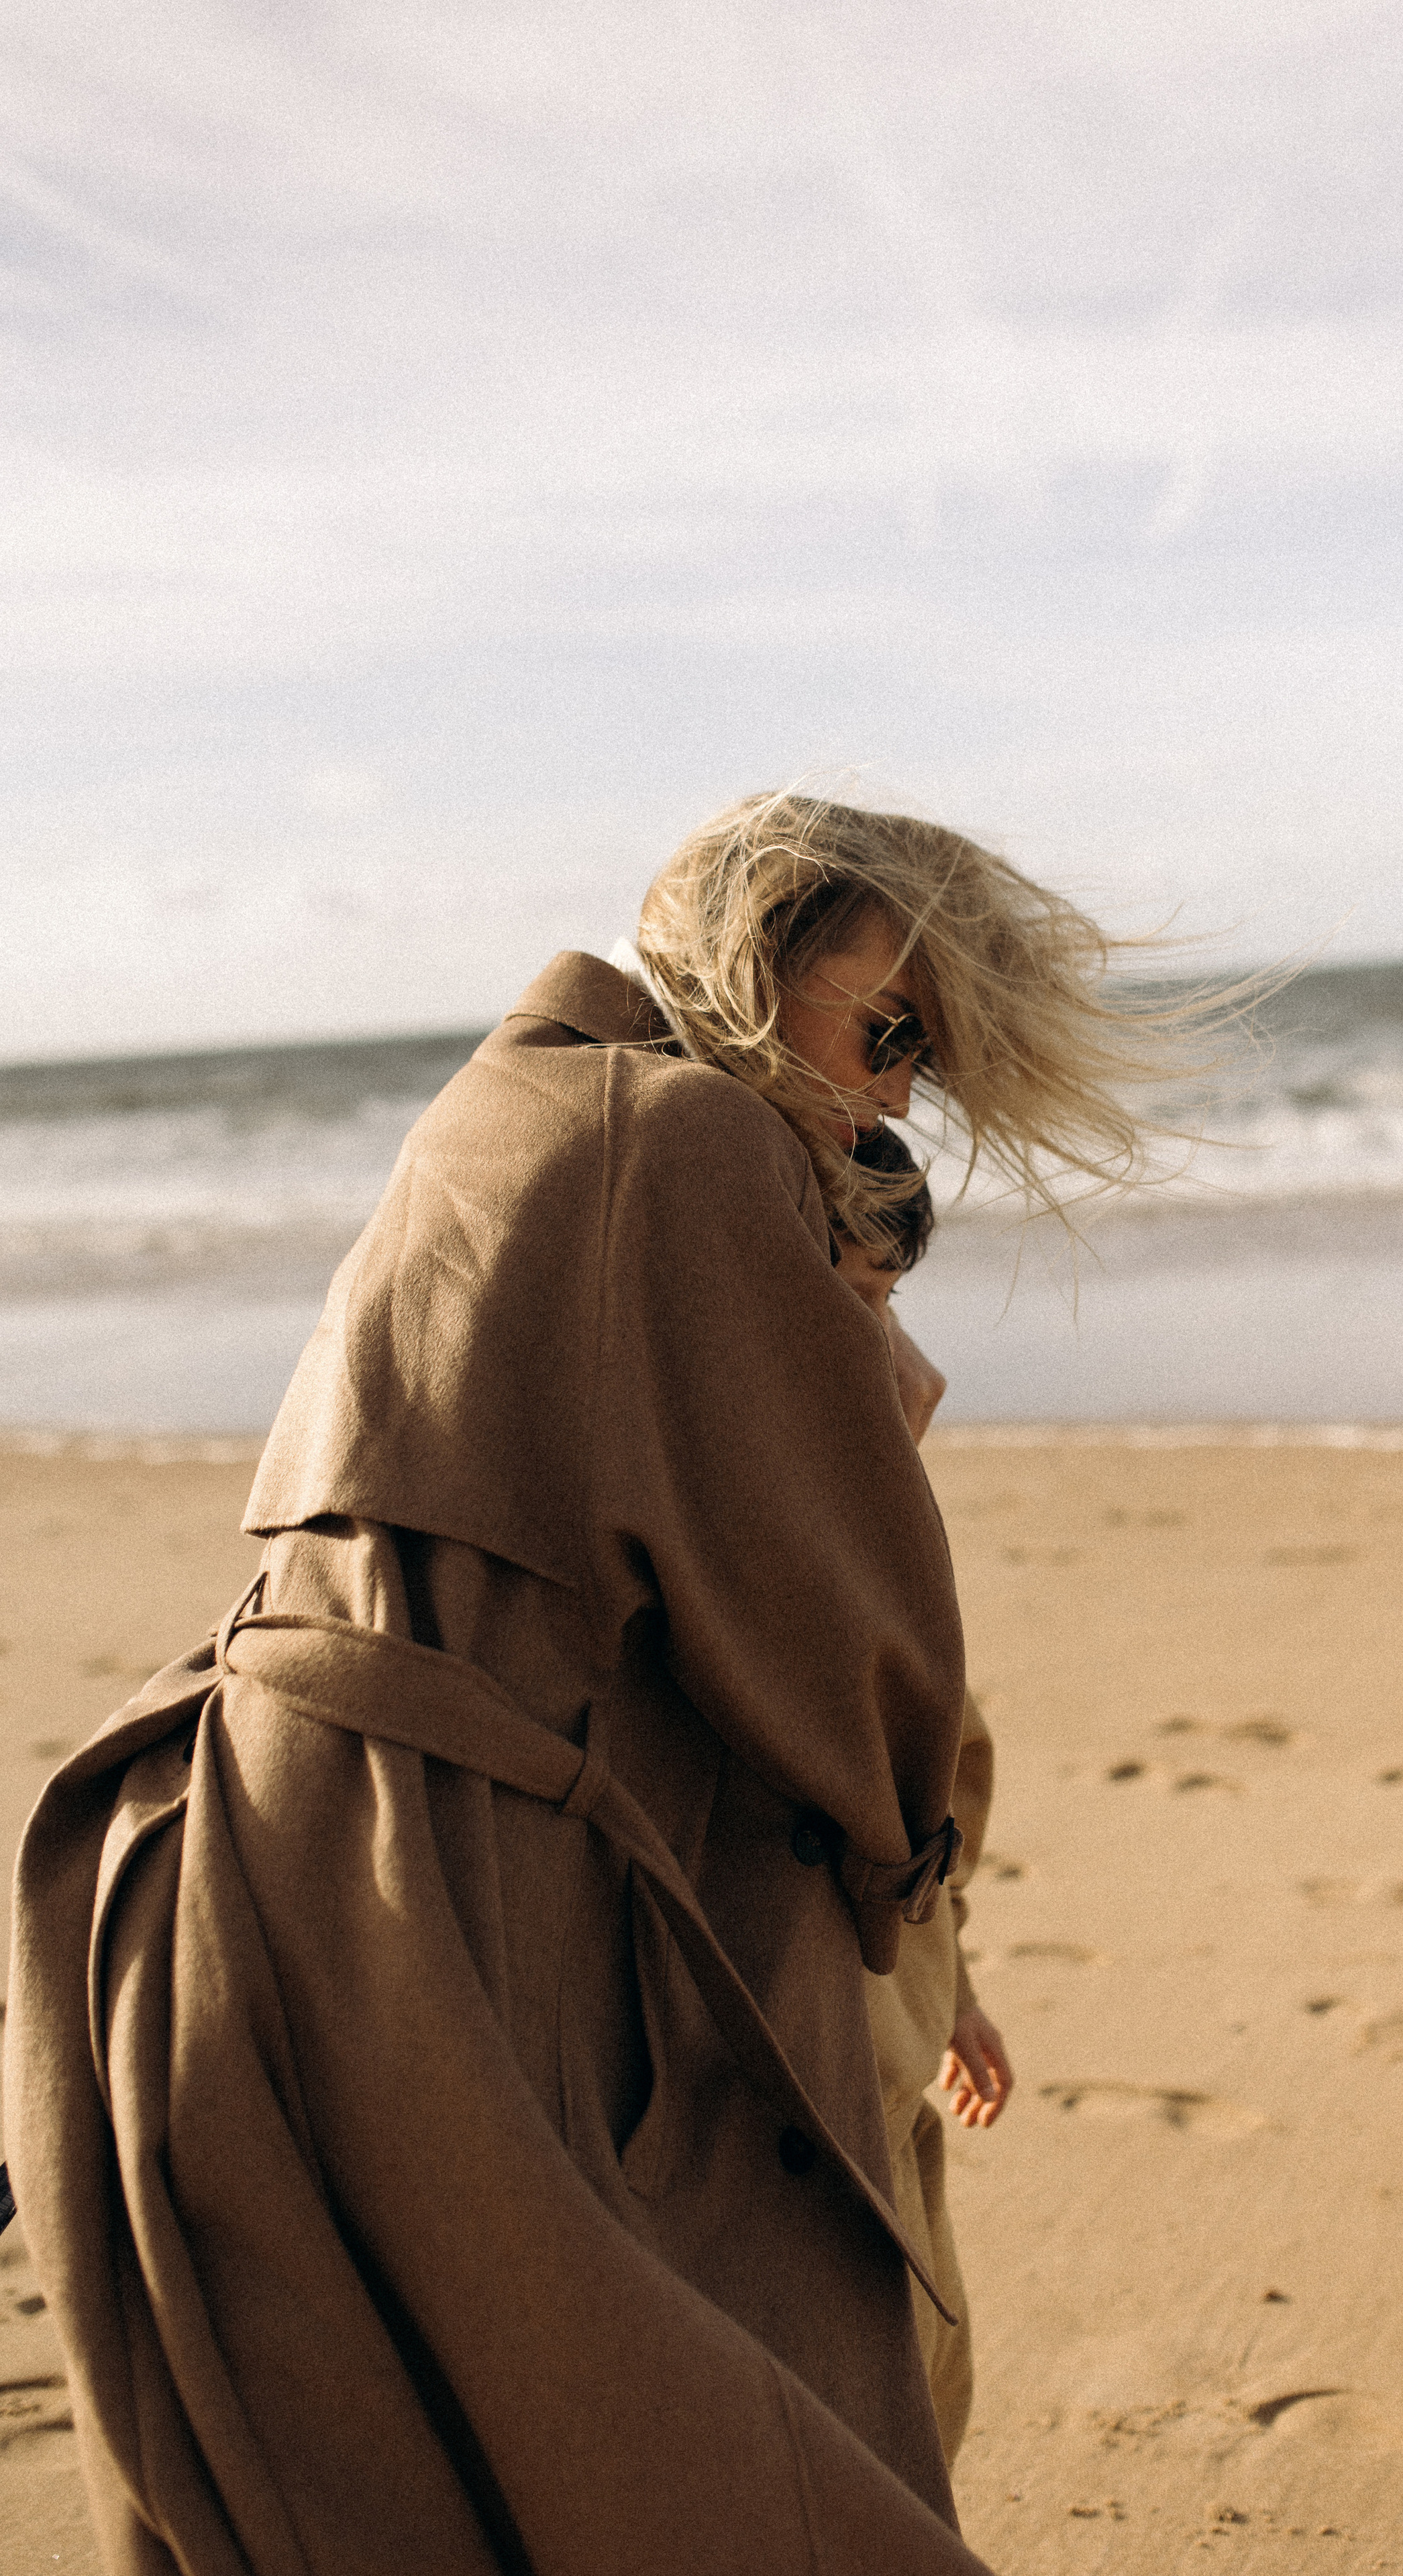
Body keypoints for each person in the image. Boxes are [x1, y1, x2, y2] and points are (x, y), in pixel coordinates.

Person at [7, 793, 1181, 2576]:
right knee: (696, 2462)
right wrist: (914, 1895)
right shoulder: (689, 1142)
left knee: (403, 2481)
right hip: (426, 1908)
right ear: (749, 950)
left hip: (268, 1866)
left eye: (919, 1065)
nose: (886, 1100)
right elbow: (841, 1632)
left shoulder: (509, 1100)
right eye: (884, 1034)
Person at [823, 1121, 1012, 2467]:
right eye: (857, 1300)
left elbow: (928, 1767)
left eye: (897, 1301)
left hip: (902, 1999)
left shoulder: (866, 1514)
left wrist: (959, 1981)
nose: (920, 1377)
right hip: (815, 2060)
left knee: (928, 2382)